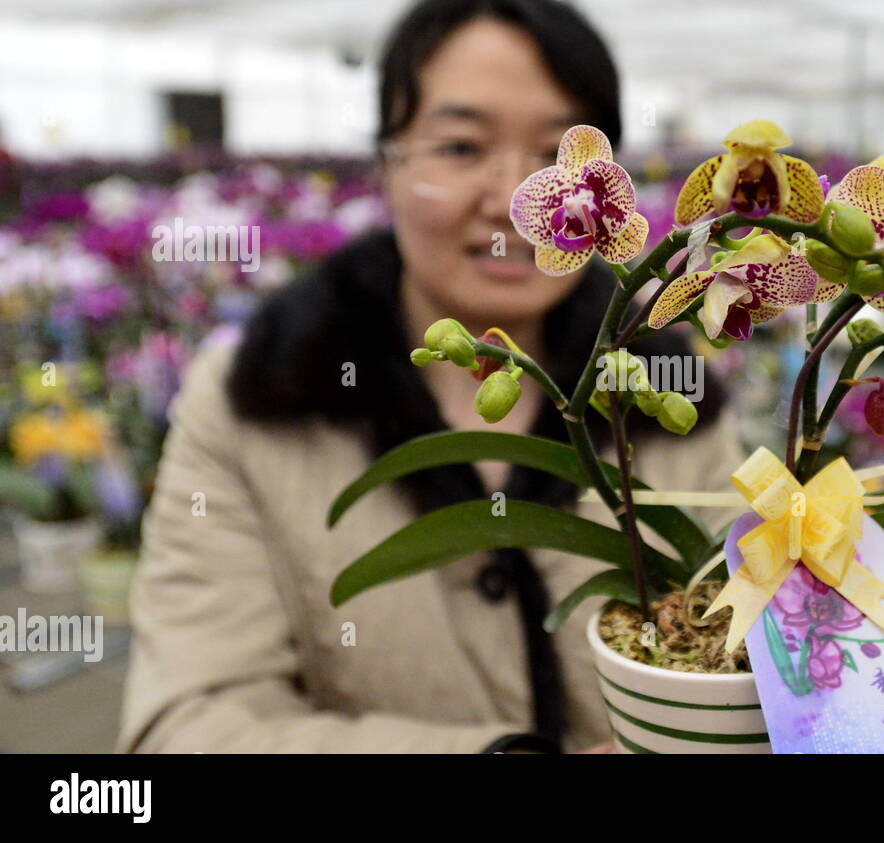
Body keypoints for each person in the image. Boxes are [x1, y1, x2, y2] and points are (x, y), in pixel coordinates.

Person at [118, 0, 744, 753]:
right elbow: (185, 727)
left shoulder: (670, 388)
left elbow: (743, 659)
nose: (515, 202)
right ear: (386, 167)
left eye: (558, 156)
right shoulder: (251, 400)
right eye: (459, 146)